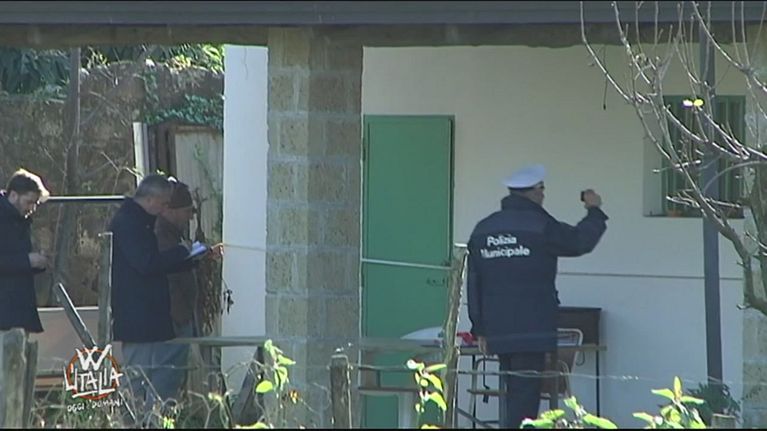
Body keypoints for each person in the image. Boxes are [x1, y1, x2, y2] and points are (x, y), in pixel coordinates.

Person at [466, 164, 608, 428]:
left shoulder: (483, 229)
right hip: (532, 329)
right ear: (533, 192)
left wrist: (480, 329)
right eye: (542, 189)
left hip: (498, 330)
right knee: (524, 400)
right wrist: (594, 211)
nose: (543, 195)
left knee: (513, 394)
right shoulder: (540, 225)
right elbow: (579, 241)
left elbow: (474, 282)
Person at [109, 174, 196, 416]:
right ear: (150, 199)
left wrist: (189, 259)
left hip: (147, 315)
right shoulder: (129, 223)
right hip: (139, 317)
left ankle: (149, 420)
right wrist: (180, 253)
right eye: (163, 203)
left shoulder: (139, 221)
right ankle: (128, 422)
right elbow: (146, 263)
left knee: (151, 379)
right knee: (136, 382)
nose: (165, 209)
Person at [154, 179, 221, 400]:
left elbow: (181, 260)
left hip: (178, 317)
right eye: (186, 211)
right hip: (171, 320)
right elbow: (169, 271)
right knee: (166, 380)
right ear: (170, 211)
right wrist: (178, 315)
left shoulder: (172, 233)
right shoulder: (160, 236)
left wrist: (204, 253)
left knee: (173, 378)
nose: (190, 217)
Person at [0, 168, 50, 333]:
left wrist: (37, 263)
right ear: (14, 195)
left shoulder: (19, 220)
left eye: (35, 203)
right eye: (29, 202)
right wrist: (27, 261)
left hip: (15, 309)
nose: (32, 208)